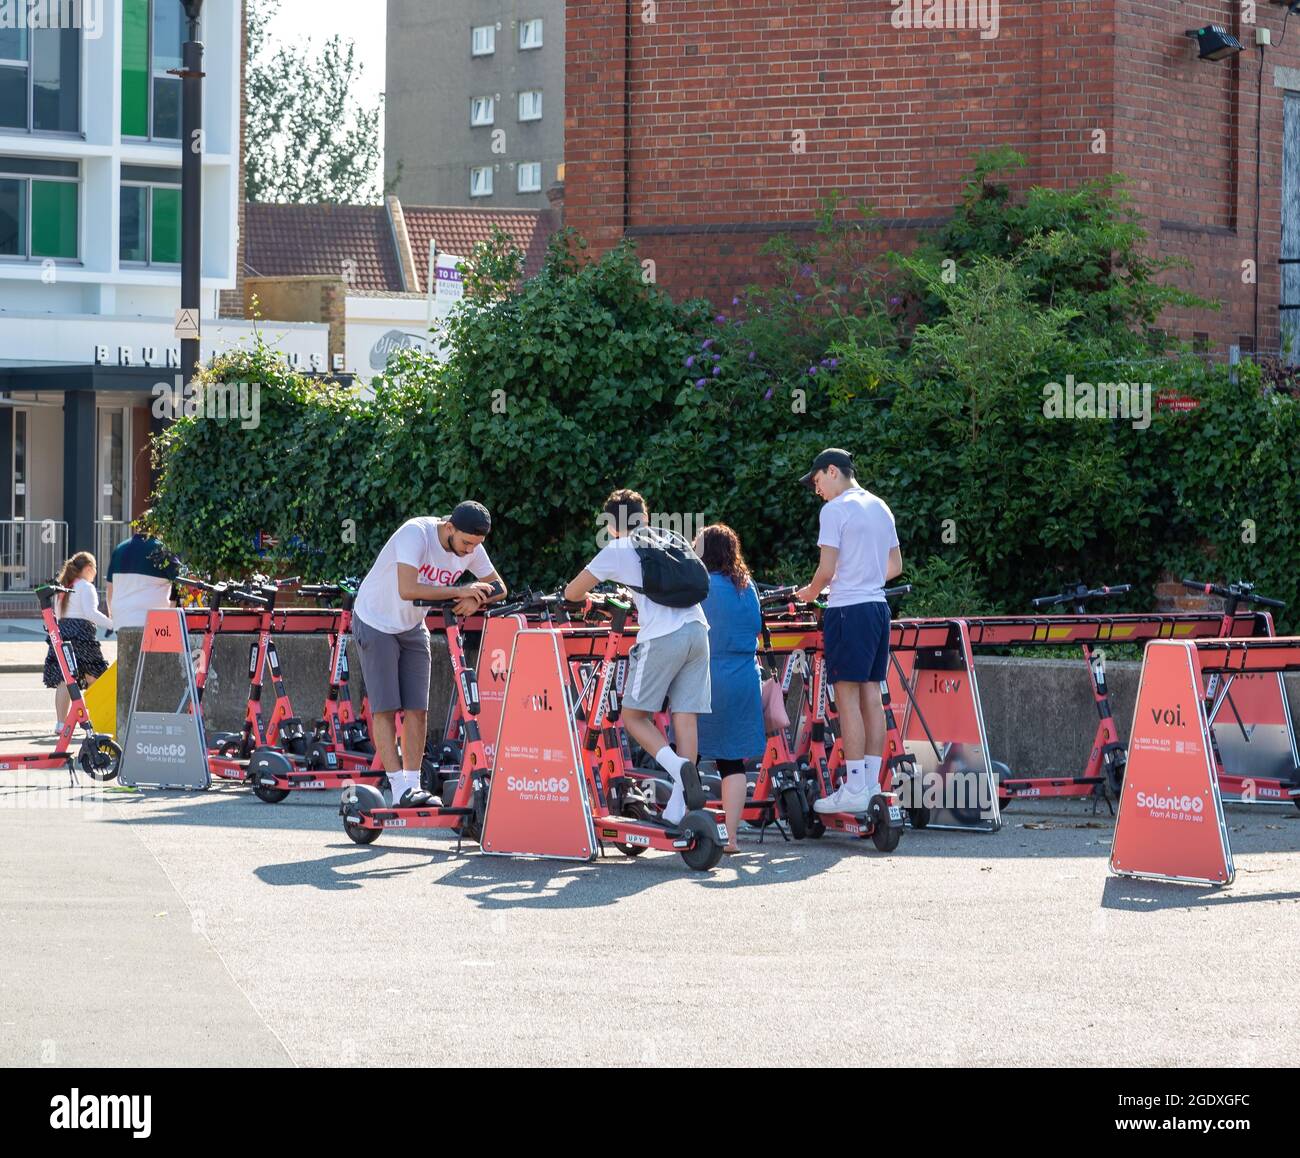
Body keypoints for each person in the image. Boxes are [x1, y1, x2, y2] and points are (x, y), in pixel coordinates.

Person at [564, 489, 710, 825]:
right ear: (644, 516)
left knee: (633, 717)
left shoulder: (617, 548)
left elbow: (573, 592)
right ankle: (679, 809)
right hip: (698, 630)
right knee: (684, 716)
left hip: (662, 637)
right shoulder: (670, 536)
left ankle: (678, 767)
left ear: (612, 525)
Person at [351, 502, 507, 807]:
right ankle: (397, 789)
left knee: (417, 709)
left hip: (412, 625)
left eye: (476, 546)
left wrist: (476, 601)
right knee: (385, 708)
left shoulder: (471, 545)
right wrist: (461, 591)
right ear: (449, 527)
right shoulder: (415, 534)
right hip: (376, 620)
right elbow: (408, 589)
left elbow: (499, 586)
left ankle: (412, 787)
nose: (468, 552)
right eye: (465, 543)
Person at [794, 448, 903, 815]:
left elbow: (825, 571)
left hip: (848, 611)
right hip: (877, 608)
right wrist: (862, 574)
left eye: (817, 481)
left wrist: (809, 592)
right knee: (872, 694)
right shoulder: (880, 506)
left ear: (832, 471)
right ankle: (870, 782)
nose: (816, 490)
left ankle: (855, 784)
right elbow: (895, 566)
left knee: (847, 697)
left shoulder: (835, 510)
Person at [693, 524, 765, 854]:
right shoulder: (747, 587)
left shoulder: (702, 587)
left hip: (708, 677)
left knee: (688, 753)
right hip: (745, 678)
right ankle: (731, 837)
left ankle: (684, 822)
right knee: (732, 762)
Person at [43, 551, 112, 731]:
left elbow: (57, 614)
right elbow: (91, 614)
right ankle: (98, 720)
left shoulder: (62, 587)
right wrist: (113, 624)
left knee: (65, 680)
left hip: (62, 632)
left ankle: (61, 723)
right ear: (88, 568)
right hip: (82, 634)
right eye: (95, 569)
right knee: (95, 676)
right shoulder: (86, 587)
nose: (95, 573)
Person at [105, 512, 179, 630]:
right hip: (154, 623)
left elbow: (110, 587)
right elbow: (180, 581)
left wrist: (112, 615)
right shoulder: (162, 550)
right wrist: (172, 608)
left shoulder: (119, 549)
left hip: (121, 620)